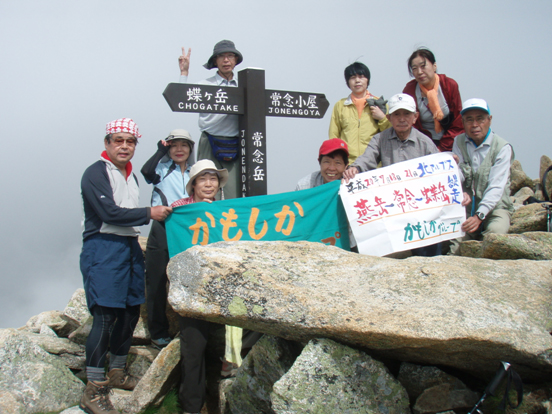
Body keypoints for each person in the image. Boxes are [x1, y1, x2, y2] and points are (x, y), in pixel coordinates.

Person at [79, 118, 172, 414]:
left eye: (130, 142)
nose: (124, 146)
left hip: (129, 246)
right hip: (103, 246)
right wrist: (150, 212)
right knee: (105, 316)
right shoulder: (96, 172)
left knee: (131, 310)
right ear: (107, 143)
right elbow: (109, 212)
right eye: (118, 140)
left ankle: (118, 371)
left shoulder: (129, 174)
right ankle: (94, 387)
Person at [342, 94, 445, 256]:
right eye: (397, 114)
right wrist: (355, 168)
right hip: (393, 212)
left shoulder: (425, 143)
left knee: (429, 258)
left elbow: (442, 172)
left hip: (421, 212)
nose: (402, 119)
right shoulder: (380, 139)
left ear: (415, 117)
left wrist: (450, 162)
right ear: (389, 117)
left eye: (406, 114)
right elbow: (367, 158)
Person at [170, 160, 229, 414]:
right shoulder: (178, 212)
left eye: (213, 179)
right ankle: (192, 407)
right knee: (194, 348)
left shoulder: (227, 211)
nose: (208, 184)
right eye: (202, 179)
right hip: (191, 290)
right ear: (192, 185)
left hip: (222, 288)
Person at [140, 129, 195, 349]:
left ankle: (189, 331)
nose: (179, 149)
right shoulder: (161, 169)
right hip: (163, 225)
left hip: (189, 227)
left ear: (191, 148)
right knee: (156, 280)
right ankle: (158, 332)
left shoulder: (195, 171)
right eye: (174, 145)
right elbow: (146, 172)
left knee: (187, 278)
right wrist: (159, 151)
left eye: (184, 144)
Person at [178, 40, 243, 199]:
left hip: (235, 143)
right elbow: (181, 98)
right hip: (209, 140)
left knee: (233, 193)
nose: (226, 60)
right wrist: (184, 73)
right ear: (215, 61)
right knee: (204, 189)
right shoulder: (205, 85)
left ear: (235, 60)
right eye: (221, 56)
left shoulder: (244, 86)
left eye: (230, 56)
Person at [450, 98, 514, 254]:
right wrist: (456, 183)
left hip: (496, 209)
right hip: (468, 209)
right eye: (469, 120)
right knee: (455, 244)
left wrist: (479, 216)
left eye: (480, 119)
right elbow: (458, 175)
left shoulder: (502, 148)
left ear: (489, 120)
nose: (474, 125)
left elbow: (496, 187)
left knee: (495, 235)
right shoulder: (458, 142)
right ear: (463, 122)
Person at [328, 62, 391, 164]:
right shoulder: (340, 105)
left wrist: (382, 118)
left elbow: (390, 133)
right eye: (352, 77)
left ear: (367, 80)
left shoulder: (379, 103)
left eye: (361, 77)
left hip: (374, 163)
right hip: (348, 164)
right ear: (347, 82)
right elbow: (333, 136)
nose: (357, 81)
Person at [403, 48, 464, 152]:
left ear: (434, 66)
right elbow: (411, 124)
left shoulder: (449, 85)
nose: (419, 72)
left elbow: (458, 121)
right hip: (423, 143)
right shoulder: (410, 90)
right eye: (414, 68)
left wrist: (441, 149)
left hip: (451, 141)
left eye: (423, 66)